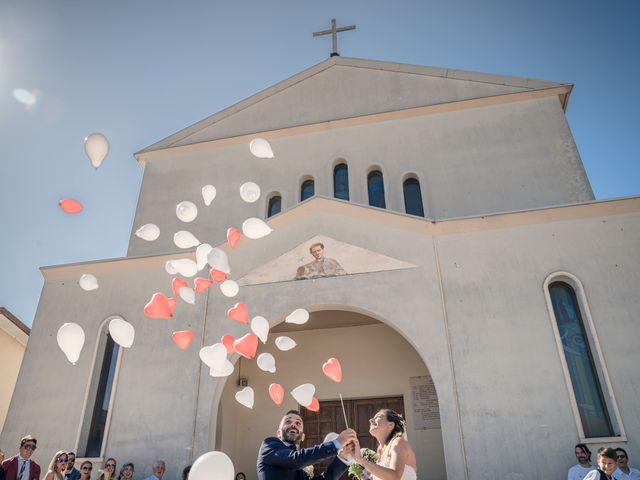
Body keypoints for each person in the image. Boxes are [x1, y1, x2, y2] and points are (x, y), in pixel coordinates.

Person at [256, 409, 356, 480]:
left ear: (303, 437)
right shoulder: (269, 444)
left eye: (298, 423)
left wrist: (343, 458)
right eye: (288, 421)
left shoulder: (301, 462)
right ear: (278, 433)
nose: (293, 424)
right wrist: (337, 443)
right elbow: (295, 459)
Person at [352, 409, 417, 480]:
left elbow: (395, 477)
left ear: (390, 425)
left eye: (378, 417)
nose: (371, 420)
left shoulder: (398, 443)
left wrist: (360, 459)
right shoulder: (380, 449)